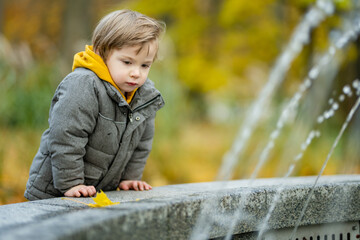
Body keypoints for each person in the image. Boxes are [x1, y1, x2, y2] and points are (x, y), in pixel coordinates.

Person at [24, 9, 166, 200]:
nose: (136, 73)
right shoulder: (84, 85)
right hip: (54, 192)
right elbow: (66, 136)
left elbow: (141, 144)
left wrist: (130, 178)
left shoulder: (144, 97)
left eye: (144, 65)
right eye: (127, 62)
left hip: (95, 193)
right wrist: (71, 182)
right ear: (103, 53)